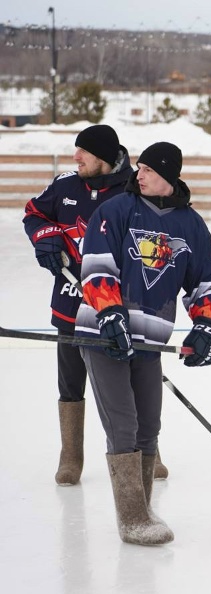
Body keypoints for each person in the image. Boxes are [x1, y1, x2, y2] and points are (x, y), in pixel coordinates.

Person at [76, 141, 211, 546]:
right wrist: (109, 312)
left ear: (168, 176)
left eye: (147, 170)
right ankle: (132, 518)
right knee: (123, 425)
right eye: (138, 168)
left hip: (150, 341)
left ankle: (141, 506)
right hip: (104, 335)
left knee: (149, 426)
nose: (138, 175)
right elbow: (96, 268)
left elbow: (202, 284)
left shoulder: (191, 225)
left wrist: (207, 324)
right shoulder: (115, 211)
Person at [22, 124, 169, 486]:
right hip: (72, 303)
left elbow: (157, 239)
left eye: (83, 152)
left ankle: (148, 450)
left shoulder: (135, 189)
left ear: (102, 157)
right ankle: (71, 455)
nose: (76, 157)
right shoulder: (65, 185)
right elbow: (33, 213)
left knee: (134, 382)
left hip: (121, 309)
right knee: (71, 381)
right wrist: (47, 238)